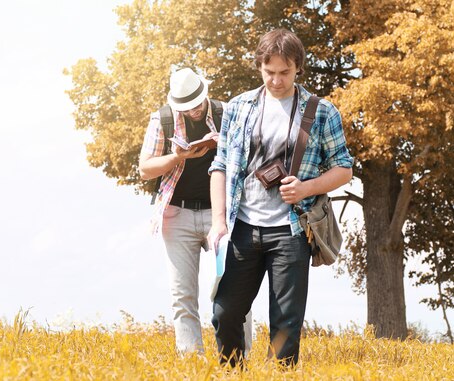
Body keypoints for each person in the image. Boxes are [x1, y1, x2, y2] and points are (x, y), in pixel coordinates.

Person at [208, 29, 354, 366]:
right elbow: (220, 165)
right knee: (225, 312)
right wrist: (218, 222)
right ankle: (232, 373)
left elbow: (344, 169)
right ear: (259, 66)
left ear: (298, 68)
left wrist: (306, 188)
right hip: (243, 227)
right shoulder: (238, 107)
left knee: (286, 325)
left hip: (292, 230)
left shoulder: (322, 112)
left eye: (284, 72)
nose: (276, 80)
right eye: (269, 71)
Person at [139, 68, 252, 354]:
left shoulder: (227, 113)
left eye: (198, 103)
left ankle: (239, 359)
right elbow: (145, 168)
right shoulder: (162, 119)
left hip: (223, 213)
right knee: (183, 295)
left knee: (237, 289)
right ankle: (191, 362)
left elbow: (249, 156)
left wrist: (222, 145)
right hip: (177, 214)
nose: (194, 110)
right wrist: (177, 157)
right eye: (187, 107)